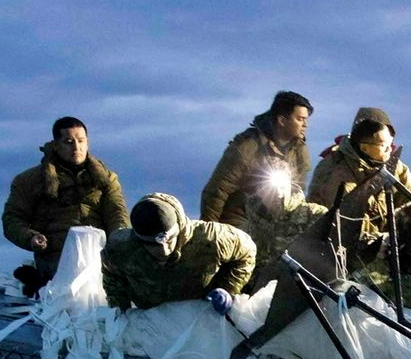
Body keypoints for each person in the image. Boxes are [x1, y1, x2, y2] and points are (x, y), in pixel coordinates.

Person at [306, 107, 411, 265]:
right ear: (364, 147)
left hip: (381, 246)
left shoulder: (391, 165)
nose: (390, 148)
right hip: (340, 255)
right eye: (384, 144)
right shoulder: (337, 172)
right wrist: (391, 244)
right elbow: (350, 225)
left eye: (391, 142)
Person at [3, 116, 129, 297]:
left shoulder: (106, 179)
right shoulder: (29, 181)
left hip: (99, 257)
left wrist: (120, 239)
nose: (76, 147)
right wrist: (30, 238)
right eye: (69, 142)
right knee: (70, 293)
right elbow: (12, 218)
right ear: (55, 145)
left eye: (80, 141)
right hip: (56, 258)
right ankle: (40, 284)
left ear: (87, 143)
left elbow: (117, 214)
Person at [101, 192, 256, 313]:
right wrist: (121, 311)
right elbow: (112, 277)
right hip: (152, 318)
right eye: (153, 246)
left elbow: (247, 252)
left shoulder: (211, 239)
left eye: (169, 241)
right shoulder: (121, 249)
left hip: (202, 315)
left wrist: (228, 289)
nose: (164, 250)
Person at [200, 90, 314, 226]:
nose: (305, 124)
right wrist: (209, 230)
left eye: (306, 119)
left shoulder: (299, 152)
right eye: (300, 119)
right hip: (239, 221)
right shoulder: (247, 147)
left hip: (276, 226)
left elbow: (298, 194)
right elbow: (218, 191)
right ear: (282, 120)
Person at [237, 176, 330, 295]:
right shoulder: (247, 233)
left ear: (289, 185)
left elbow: (333, 253)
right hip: (270, 303)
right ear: (258, 191)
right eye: (263, 185)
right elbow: (244, 271)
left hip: (315, 292)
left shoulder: (314, 214)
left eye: (280, 184)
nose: (275, 191)